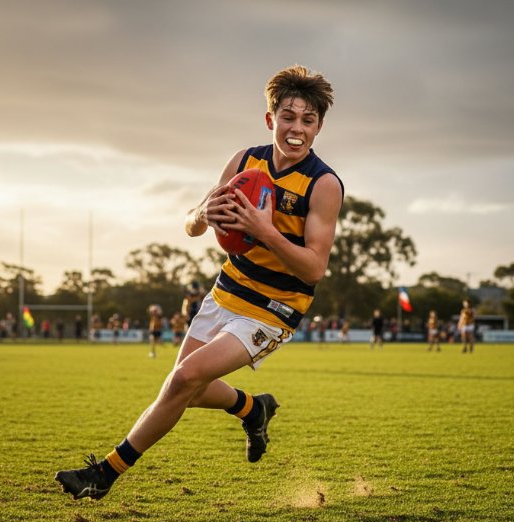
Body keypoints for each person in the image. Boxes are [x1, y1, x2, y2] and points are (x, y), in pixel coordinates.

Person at [57, 65, 342, 500]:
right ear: (271, 120)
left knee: (181, 381)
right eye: (288, 116)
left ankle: (105, 473)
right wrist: (203, 214)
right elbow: (192, 225)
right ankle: (253, 408)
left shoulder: (323, 184)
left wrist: (264, 230)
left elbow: (314, 269)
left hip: (274, 308)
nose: (296, 128)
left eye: (307, 120)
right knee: (185, 388)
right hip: (227, 290)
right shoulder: (244, 161)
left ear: (319, 126)